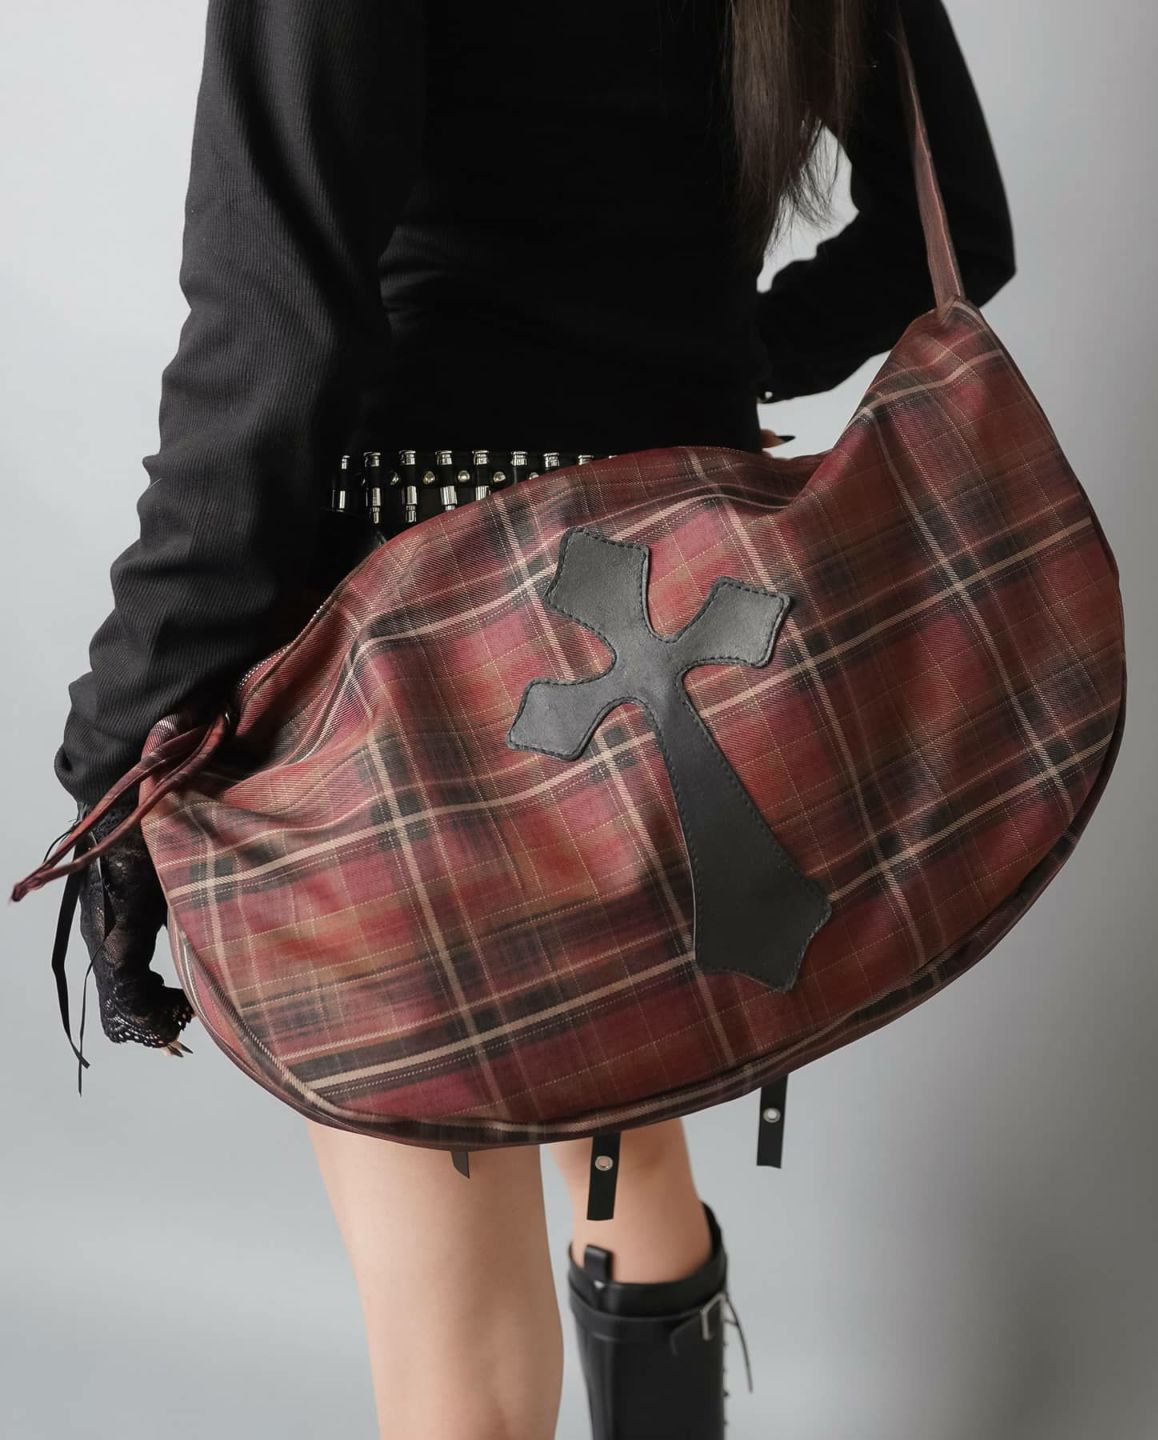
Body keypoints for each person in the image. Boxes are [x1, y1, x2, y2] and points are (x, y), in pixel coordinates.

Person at [40, 1, 1015, 1436]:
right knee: (630, 1145)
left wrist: (122, 736)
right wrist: (702, 360)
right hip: (684, 603)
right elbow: (956, 231)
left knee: (463, 1380)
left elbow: (274, 330)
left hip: (409, 658)